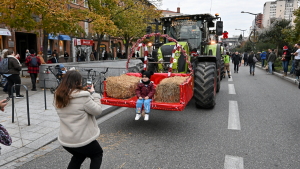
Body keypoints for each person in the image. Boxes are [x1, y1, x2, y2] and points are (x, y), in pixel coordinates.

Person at [54, 71, 103, 169]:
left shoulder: (58, 95)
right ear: (77, 82)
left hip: (66, 140)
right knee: (97, 154)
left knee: (78, 156)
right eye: (81, 81)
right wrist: (94, 93)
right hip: (81, 139)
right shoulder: (83, 97)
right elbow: (97, 110)